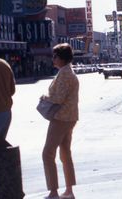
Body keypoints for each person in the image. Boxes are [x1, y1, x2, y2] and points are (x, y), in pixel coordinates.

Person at [41, 43, 79, 199]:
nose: (53, 59)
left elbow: (58, 98)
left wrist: (44, 98)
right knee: (65, 153)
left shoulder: (64, 74)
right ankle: (69, 191)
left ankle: (53, 191)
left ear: (62, 58)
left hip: (61, 118)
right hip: (69, 117)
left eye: (55, 56)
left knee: (47, 153)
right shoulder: (68, 72)